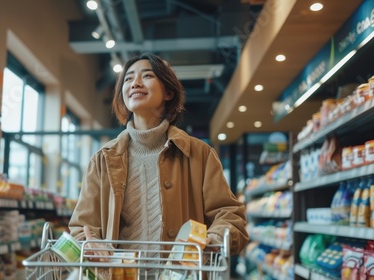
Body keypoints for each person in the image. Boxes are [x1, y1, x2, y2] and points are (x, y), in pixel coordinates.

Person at [68, 53, 249, 260]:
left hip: (183, 274)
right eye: (128, 79)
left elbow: (230, 215)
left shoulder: (200, 154)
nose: (135, 83)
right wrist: (92, 245)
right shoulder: (102, 160)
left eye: (147, 76)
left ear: (169, 92)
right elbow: (82, 228)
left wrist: (213, 238)